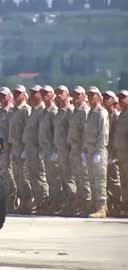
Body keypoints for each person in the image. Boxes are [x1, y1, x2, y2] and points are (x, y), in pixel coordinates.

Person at [83, 86, 110, 218]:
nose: (90, 97)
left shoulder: (101, 112)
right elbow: (86, 133)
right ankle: (97, 206)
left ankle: (101, 207)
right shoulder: (91, 112)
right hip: (90, 150)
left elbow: (103, 133)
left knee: (100, 180)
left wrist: (99, 151)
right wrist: (84, 149)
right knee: (92, 179)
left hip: (97, 151)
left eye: (93, 95)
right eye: (89, 95)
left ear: (98, 97)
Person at [22, 85, 49, 214]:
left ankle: (44, 202)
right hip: (30, 147)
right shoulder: (34, 110)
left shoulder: (42, 110)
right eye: (31, 93)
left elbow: (43, 132)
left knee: (39, 176)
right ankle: (38, 202)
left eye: (35, 93)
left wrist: (40, 149)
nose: (32, 95)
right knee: (32, 176)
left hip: (37, 147)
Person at [68, 86, 91, 216]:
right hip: (74, 149)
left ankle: (87, 205)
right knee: (77, 178)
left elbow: (86, 132)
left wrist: (84, 150)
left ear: (83, 96)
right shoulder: (75, 111)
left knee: (84, 178)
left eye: (78, 95)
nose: (75, 98)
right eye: (74, 95)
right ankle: (82, 204)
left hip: (82, 149)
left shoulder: (84, 111)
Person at [8, 85, 32, 214]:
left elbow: (28, 129)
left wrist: (25, 148)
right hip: (15, 146)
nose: (17, 96)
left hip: (23, 146)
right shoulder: (14, 110)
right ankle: (22, 201)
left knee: (24, 176)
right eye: (15, 93)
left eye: (19, 93)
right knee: (17, 176)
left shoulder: (26, 110)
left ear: (24, 95)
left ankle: (27, 202)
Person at [54, 85, 76, 215]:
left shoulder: (70, 111)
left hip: (68, 149)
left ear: (67, 95)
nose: (58, 95)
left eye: (61, 93)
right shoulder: (59, 111)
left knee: (69, 178)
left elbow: (72, 131)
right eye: (57, 93)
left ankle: (73, 204)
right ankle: (67, 203)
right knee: (63, 177)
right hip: (60, 149)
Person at [0, 87, 16, 211]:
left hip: (8, 147)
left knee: (9, 174)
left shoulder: (12, 112)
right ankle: (7, 199)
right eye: (0, 96)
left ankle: (13, 199)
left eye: (4, 96)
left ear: (9, 96)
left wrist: (12, 148)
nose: (2, 98)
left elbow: (12, 131)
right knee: (2, 174)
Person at [39, 85, 60, 214]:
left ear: (52, 95)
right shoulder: (44, 111)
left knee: (55, 178)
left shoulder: (54, 111)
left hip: (53, 148)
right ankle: (51, 203)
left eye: (47, 93)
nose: (44, 95)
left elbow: (56, 131)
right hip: (45, 148)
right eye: (43, 93)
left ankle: (57, 203)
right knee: (49, 178)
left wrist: (55, 150)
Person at [102, 90, 122, 216]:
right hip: (107, 152)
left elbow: (116, 136)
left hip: (114, 152)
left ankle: (118, 203)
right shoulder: (106, 115)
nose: (105, 100)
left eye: (108, 98)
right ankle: (111, 205)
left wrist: (114, 153)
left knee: (115, 179)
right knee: (107, 179)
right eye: (104, 98)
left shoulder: (116, 117)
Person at [114, 90, 128, 216]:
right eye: (120, 98)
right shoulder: (122, 114)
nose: (121, 100)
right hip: (122, 155)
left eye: (124, 97)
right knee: (124, 182)